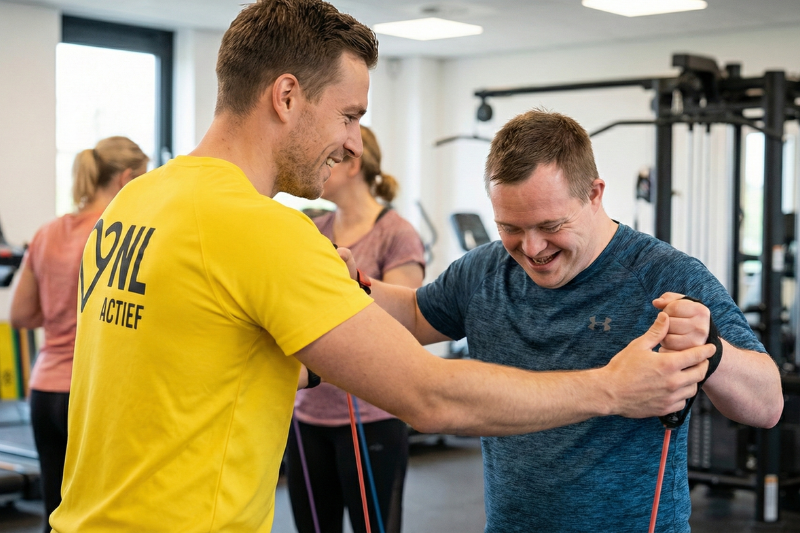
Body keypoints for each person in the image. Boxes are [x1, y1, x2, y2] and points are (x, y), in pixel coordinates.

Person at [49, 2, 715, 532]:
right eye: (348, 115)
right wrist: (611, 388)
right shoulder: (264, 230)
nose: (351, 141)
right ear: (286, 96)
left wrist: (328, 302)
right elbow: (432, 395)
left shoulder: (138, 200)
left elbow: (191, 359)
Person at [360, 109, 783, 533]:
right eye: (510, 227)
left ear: (594, 194)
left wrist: (712, 350)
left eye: (551, 225)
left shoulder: (664, 275)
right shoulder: (483, 270)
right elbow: (415, 313)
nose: (532, 248)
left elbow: (767, 406)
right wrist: (340, 282)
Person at [288, 125, 424, 533]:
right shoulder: (313, 230)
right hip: (308, 417)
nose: (319, 167)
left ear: (353, 163)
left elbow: (403, 327)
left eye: (328, 157)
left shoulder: (396, 233)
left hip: (372, 417)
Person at [8, 136, 148, 532]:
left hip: (44, 391)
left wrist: (58, 316)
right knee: (99, 518)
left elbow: (20, 315)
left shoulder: (47, 232)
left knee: (55, 512)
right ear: (126, 179)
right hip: (89, 392)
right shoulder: (119, 233)